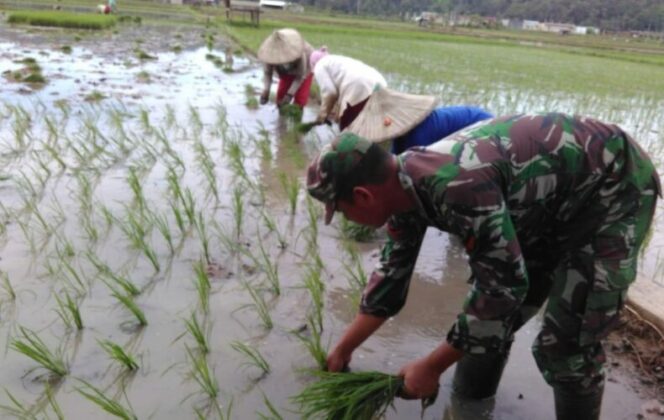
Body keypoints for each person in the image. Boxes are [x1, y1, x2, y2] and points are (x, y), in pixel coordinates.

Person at [306, 113, 661, 420]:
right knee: (483, 322)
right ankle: (471, 405)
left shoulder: (456, 186)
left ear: (364, 196)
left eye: (341, 209)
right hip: (546, 201)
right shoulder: (402, 189)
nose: (344, 219)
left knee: (566, 345)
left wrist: (431, 368)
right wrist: (343, 350)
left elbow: (502, 291)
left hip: (611, 187)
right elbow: (389, 281)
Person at [343, 85, 493, 154]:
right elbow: (395, 159)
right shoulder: (402, 133)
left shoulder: (418, 136)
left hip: (481, 128)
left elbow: (421, 169)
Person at [309, 50, 387, 130]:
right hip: (380, 82)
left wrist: (322, 115)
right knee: (370, 124)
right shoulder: (334, 60)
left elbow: (330, 92)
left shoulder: (319, 65)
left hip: (359, 84)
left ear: (313, 64)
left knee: (348, 124)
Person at [257, 28, 315, 109]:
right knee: (281, 95)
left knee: (300, 99)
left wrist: (289, 95)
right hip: (284, 71)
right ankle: (281, 114)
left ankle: (297, 115)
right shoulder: (269, 54)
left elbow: (300, 76)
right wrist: (266, 91)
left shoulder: (299, 53)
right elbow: (267, 73)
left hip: (305, 68)